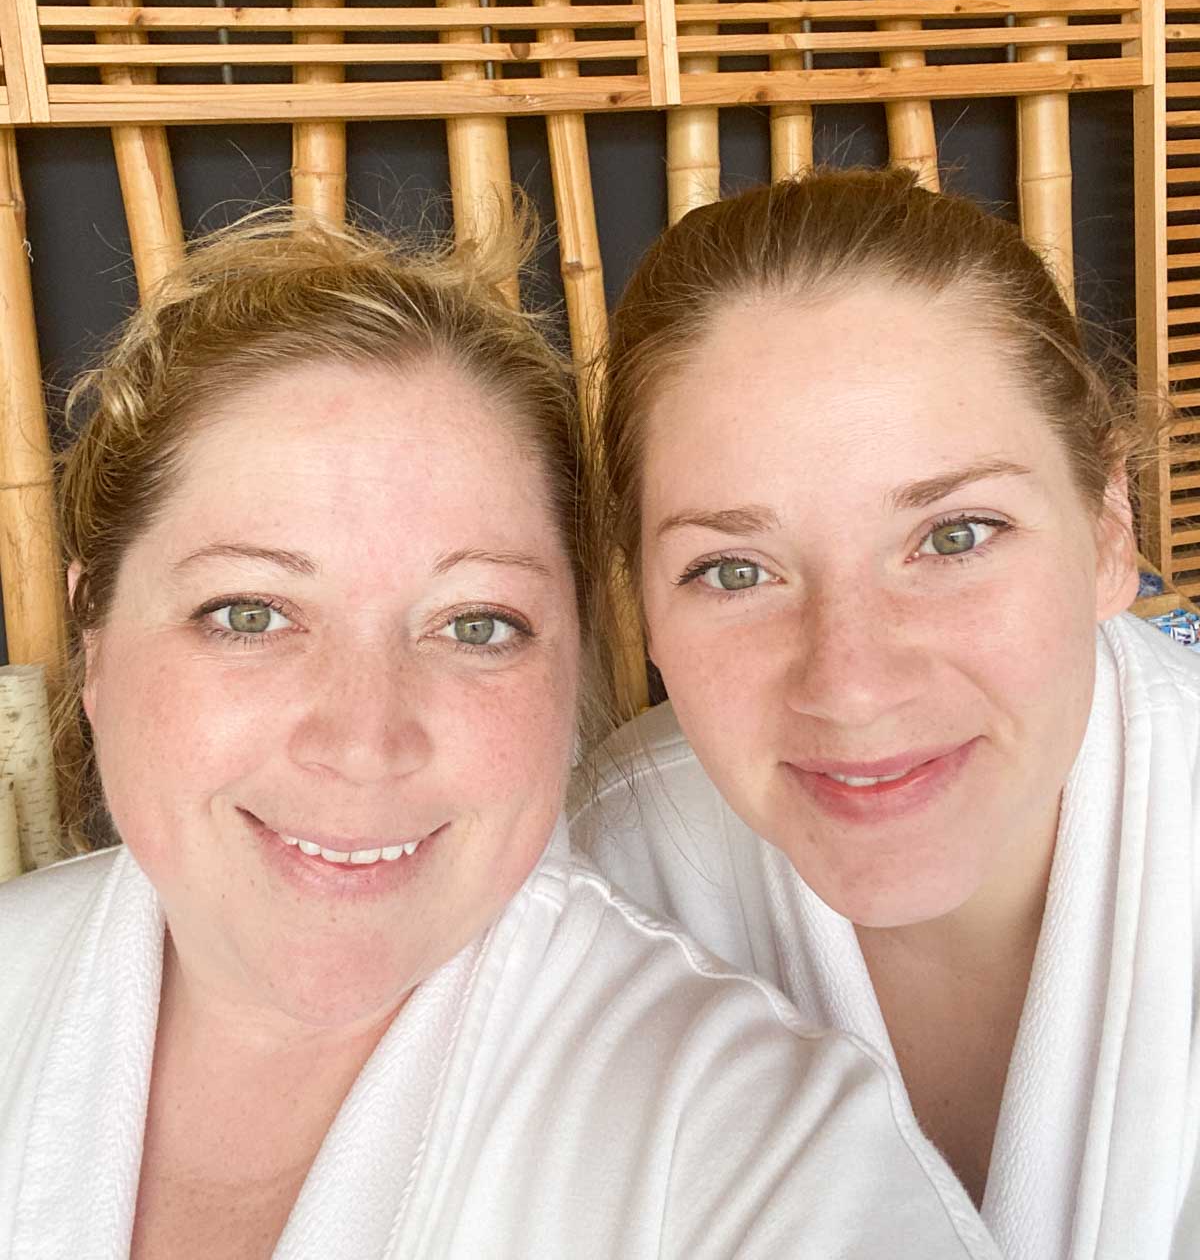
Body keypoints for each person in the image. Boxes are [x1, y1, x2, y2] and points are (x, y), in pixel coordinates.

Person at [0, 211, 1000, 1260]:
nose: (363, 739)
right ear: (97, 640)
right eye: (249, 612)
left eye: (477, 625)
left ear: (576, 669)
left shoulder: (762, 1153)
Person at [572, 166, 1200, 1260]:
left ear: (1109, 532)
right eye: (733, 570)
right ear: (644, 606)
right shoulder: (589, 891)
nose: (852, 685)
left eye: (954, 536)